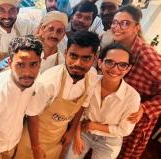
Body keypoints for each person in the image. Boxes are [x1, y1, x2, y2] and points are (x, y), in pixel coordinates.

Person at [14, 31, 100, 159]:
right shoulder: (49, 81)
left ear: (95, 58)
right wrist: (36, 148)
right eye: (73, 56)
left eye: (86, 58)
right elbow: (32, 115)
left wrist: (71, 131)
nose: (77, 63)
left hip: (58, 137)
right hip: (33, 138)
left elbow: (83, 104)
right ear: (65, 53)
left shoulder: (92, 76)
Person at [0, 35, 43, 159]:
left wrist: (36, 148)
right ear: (10, 63)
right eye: (20, 65)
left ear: (39, 63)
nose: (27, 72)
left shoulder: (34, 83)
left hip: (13, 146)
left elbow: (32, 115)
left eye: (33, 64)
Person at [66, 43, 140, 159]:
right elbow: (78, 112)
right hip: (83, 131)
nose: (115, 69)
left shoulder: (133, 97)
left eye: (122, 65)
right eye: (110, 62)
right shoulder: (90, 82)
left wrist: (93, 125)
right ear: (100, 63)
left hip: (110, 138)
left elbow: (124, 129)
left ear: (128, 68)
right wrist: (76, 135)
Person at [109, 5, 161, 159]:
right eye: (115, 22)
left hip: (134, 120)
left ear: (136, 27)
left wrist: (144, 108)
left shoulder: (146, 55)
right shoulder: (120, 47)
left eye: (124, 23)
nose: (117, 27)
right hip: (116, 113)